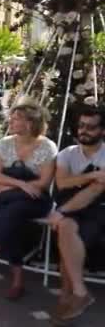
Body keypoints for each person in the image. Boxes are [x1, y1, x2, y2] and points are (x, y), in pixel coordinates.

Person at [0, 103, 57, 300]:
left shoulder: (47, 146)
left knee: (11, 213)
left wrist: (11, 186)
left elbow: (43, 183)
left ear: (30, 123)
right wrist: (22, 184)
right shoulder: (6, 143)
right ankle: (17, 280)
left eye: (16, 118)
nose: (10, 121)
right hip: (8, 198)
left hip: (35, 200)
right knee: (12, 217)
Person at [48, 107, 105, 322]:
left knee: (69, 235)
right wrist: (95, 174)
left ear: (102, 131)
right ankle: (79, 294)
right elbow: (62, 183)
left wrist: (61, 210)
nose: (84, 131)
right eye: (81, 126)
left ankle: (67, 296)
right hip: (72, 207)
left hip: (97, 209)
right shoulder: (67, 153)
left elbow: (93, 193)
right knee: (66, 229)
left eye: (91, 127)